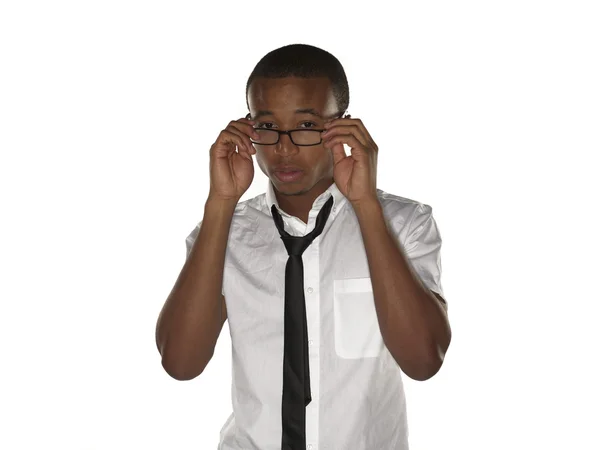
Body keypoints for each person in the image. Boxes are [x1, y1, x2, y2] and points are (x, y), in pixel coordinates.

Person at [155, 43, 452, 450]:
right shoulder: (223, 232)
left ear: (343, 128)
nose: (283, 148)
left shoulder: (404, 224)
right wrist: (220, 203)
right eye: (266, 126)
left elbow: (424, 361)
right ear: (248, 130)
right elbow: (180, 364)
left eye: (307, 125)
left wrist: (365, 206)